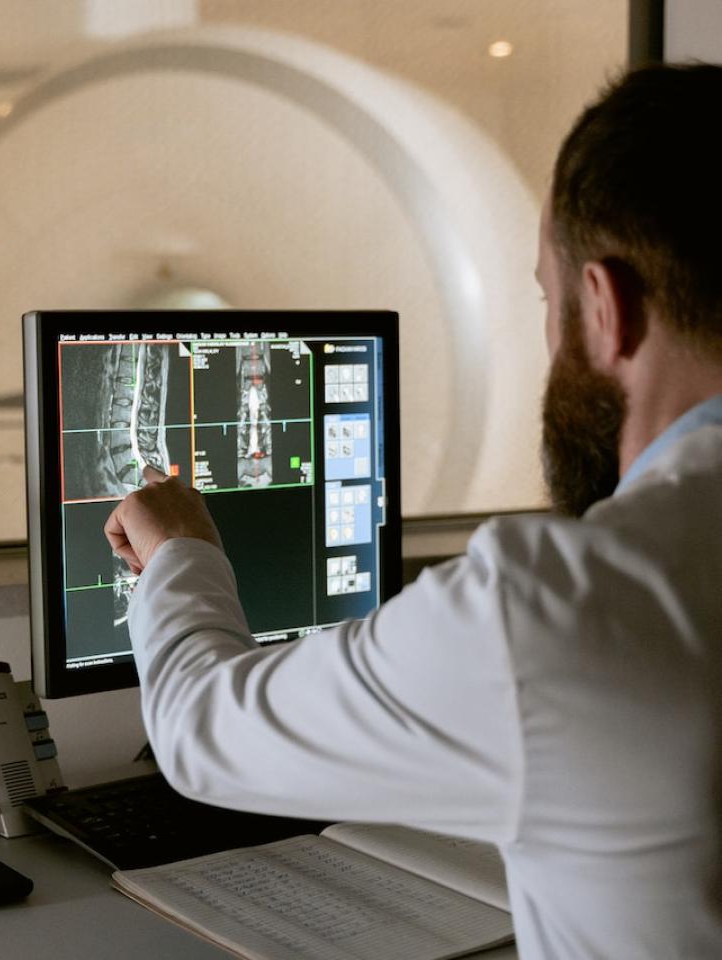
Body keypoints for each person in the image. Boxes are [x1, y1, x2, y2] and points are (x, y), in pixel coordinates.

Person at [104, 64, 722, 959]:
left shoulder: (563, 607)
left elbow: (203, 732)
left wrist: (181, 549)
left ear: (605, 304)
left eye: (549, 302)